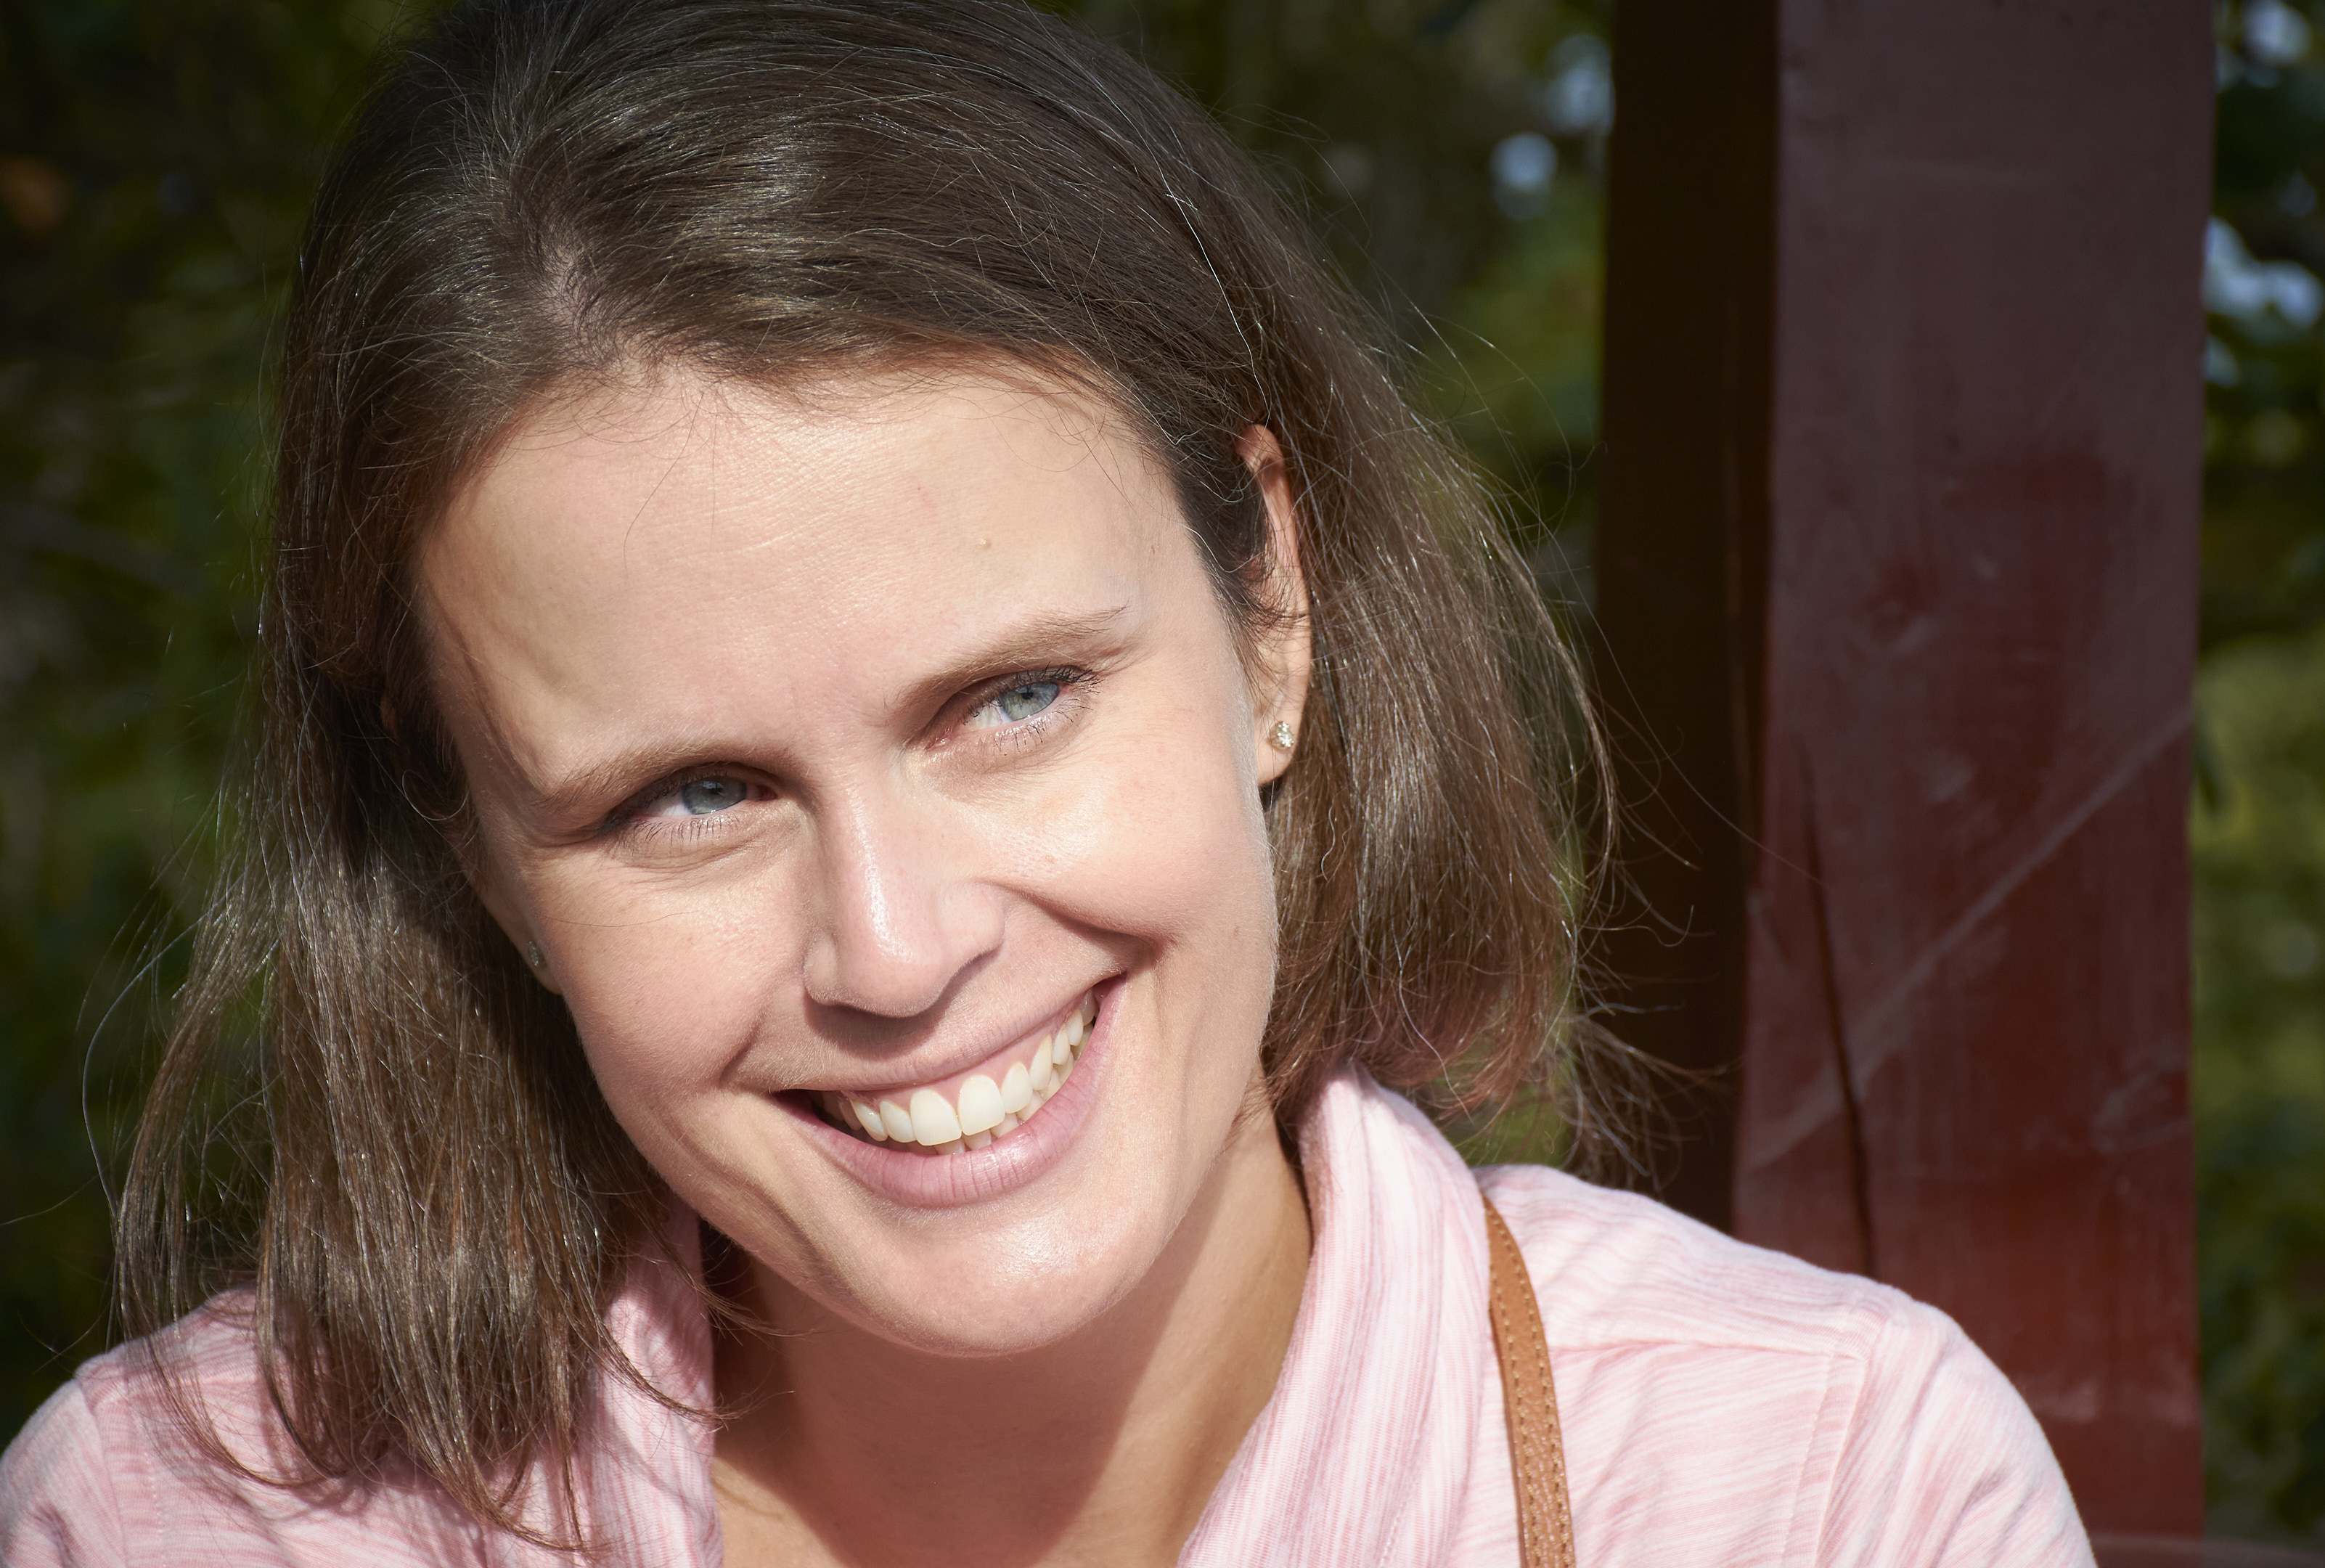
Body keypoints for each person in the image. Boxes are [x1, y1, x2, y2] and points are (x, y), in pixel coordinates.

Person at [0, 1, 2094, 1563]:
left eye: (1010, 699)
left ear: (1269, 610)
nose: (896, 950)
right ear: (477, 856)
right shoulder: (185, 1523)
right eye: (689, 798)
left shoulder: (1827, 1496)